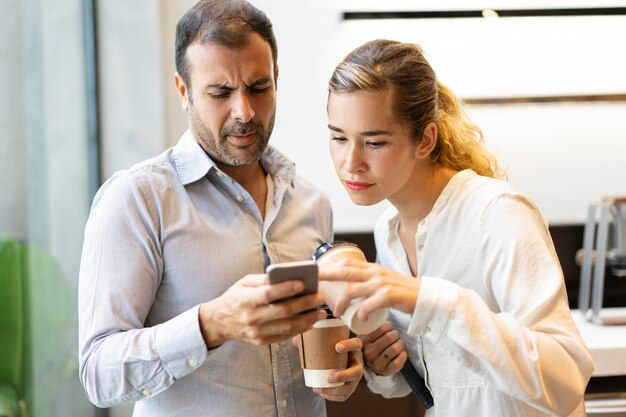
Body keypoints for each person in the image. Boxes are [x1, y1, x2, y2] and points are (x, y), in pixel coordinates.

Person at [78, 1, 363, 416]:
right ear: (183, 92)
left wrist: (344, 367)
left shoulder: (311, 202)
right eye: (221, 92)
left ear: (277, 80)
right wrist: (212, 325)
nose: (244, 112)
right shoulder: (137, 199)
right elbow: (98, 375)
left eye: (259, 87)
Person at [320, 39, 594, 417]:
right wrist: (388, 369)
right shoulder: (388, 233)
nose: (351, 163)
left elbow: (565, 380)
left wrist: (432, 301)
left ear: (425, 140)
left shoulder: (498, 214)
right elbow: (448, 376)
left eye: (375, 142)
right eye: (338, 137)